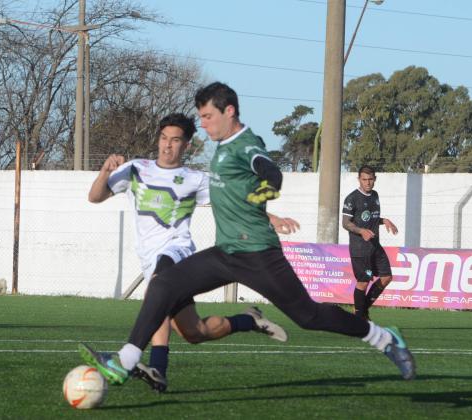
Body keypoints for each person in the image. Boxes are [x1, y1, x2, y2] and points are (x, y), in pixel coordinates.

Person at [78, 82, 416, 386]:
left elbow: (266, 168)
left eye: (208, 116)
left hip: (257, 256)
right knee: (164, 284)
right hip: (226, 253)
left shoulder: (245, 144)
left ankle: (384, 338)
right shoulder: (222, 149)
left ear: (229, 112)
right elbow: (233, 196)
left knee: (309, 317)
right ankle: (125, 361)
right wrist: (268, 214)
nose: (205, 124)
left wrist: (268, 187)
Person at [88, 112, 299, 392]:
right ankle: (248, 320)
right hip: (148, 258)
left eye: (175, 140)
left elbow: (234, 201)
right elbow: (95, 197)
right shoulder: (136, 169)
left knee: (157, 291)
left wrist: (271, 218)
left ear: (187, 145)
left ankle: (150, 367)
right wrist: (105, 171)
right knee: (194, 332)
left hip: (177, 251)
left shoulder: (195, 179)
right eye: (164, 138)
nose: (167, 145)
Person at [342, 166, 399, 320]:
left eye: (370, 179)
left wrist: (384, 220)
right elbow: (346, 223)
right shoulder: (352, 198)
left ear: (375, 179)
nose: (367, 182)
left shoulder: (375, 195)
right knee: (363, 282)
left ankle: (361, 310)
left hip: (375, 245)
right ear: (359, 179)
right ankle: (360, 318)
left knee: (386, 277)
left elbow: (371, 218)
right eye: (364, 179)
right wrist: (361, 231)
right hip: (360, 248)